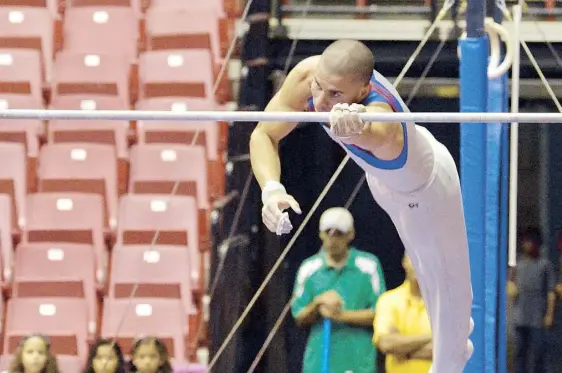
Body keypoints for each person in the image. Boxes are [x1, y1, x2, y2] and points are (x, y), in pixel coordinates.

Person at [249, 39, 474, 373]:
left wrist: (360, 124)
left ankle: (453, 348)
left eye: (336, 95)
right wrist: (271, 188)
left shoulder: (380, 117)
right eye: (319, 87)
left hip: (429, 187)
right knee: (429, 276)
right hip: (384, 184)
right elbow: (264, 135)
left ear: (363, 90)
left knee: (449, 293)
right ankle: (453, 334)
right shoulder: (308, 76)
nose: (321, 101)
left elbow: (378, 129)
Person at [291, 207, 386, 373]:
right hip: (319, 360)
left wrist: (340, 316)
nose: (332, 239)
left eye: (339, 233)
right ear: (320, 234)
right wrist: (317, 303)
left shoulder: (369, 266)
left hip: (358, 359)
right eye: (328, 232)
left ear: (351, 234)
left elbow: (380, 312)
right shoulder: (309, 268)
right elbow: (298, 316)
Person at [507, 226, 556, 373]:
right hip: (520, 318)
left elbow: (551, 293)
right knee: (520, 354)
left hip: (537, 318)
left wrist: (549, 315)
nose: (530, 244)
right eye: (527, 241)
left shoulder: (544, 265)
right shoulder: (518, 265)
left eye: (533, 241)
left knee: (537, 355)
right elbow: (511, 287)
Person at [373, 255, 432, 373]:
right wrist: (433, 336)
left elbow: (447, 349)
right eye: (413, 256)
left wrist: (402, 349)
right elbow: (386, 343)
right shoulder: (388, 300)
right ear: (404, 261)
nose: (418, 263)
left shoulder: (444, 305)